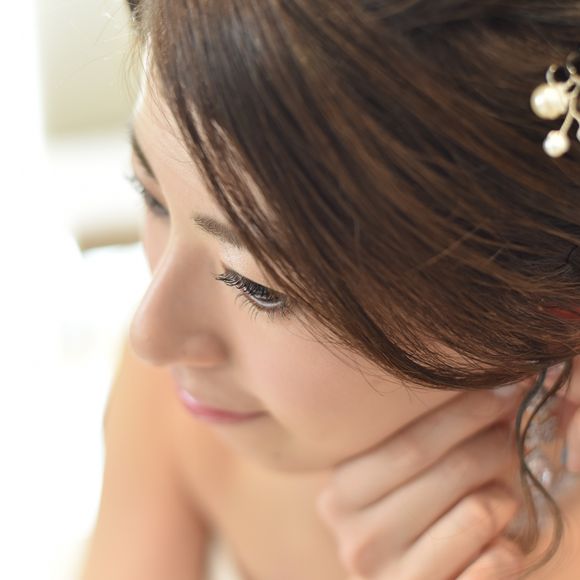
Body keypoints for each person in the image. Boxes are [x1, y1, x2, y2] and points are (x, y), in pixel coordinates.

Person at [81, 1, 580, 579]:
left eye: (258, 286)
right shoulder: (179, 401)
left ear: (550, 306)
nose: (149, 335)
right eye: (152, 197)